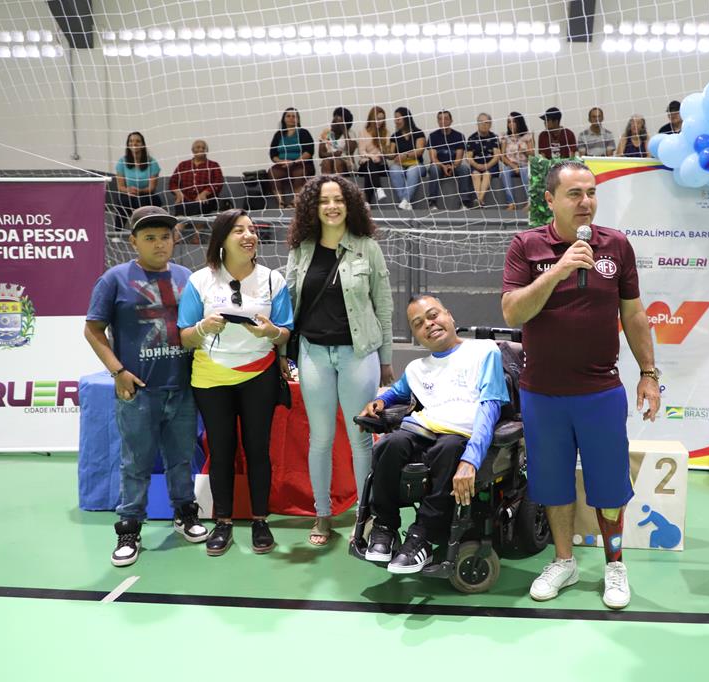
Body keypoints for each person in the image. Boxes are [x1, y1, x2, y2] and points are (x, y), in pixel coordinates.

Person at [501, 160, 661, 610]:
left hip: (599, 392)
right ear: (550, 200)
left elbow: (633, 314)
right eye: (574, 194)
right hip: (542, 393)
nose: (586, 202)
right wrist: (558, 270)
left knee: (609, 487)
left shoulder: (617, 246)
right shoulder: (526, 246)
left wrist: (649, 374)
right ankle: (564, 560)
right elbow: (513, 313)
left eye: (591, 192)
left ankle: (614, 565)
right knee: (553, 486)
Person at [85, 206, 208, 567]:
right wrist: (117, 371)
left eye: (166, 236)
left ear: (175, 239)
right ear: (134, 240)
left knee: (181, 457)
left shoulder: (189, 277)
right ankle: (129, 529)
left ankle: (186, 514)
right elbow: (93, 330)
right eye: (150, 237)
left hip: (182, 388)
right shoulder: (114, 279)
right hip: (139, 391)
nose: (159, 244)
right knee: (135, 463)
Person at [357, 295, 508, 573]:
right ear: (416, 335)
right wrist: (381, 402)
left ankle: (421, 536)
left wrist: (471, 460)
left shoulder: (484, 351)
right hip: (423, 431)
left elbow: (490, 407)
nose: (429, 324)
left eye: (433, 315)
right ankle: (384, 527)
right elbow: (398, 391)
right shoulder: (418, 368)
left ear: (449, 316)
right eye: (418, 324)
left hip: (459, 437)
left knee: (447, 449)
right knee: (388, 445)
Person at [283, 176, 394, 546]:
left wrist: (387, 359)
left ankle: (365, 515)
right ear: (313, 208)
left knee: (361, 438)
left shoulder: (367, 249)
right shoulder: (300, 251)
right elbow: (287, 307)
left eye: (338, 200)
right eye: (324, 201)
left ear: (350, 205)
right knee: (321, 439)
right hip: (313, 354)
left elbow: (384, 306)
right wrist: (284, 353)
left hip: (358, 355)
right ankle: (322, 515)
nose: (332, 206)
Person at [177, 209, 294, 557]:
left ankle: (260, 520)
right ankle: (222, 522)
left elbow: (286, 330)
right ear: (222, 240)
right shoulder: (199, 281)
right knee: (222, 450)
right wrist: (202, 328)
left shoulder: (274, 280)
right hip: (211, 378)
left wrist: (270, 331)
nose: (249, 236)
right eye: (239, 230)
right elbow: (184, 337)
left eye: (252, 230)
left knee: (258, 450)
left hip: (259, 374)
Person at [425, 110, 474, 211]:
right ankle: (432, 201)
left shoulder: (459, 136)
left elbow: (459, 158)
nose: (443, 121)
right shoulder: (432, 136)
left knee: (464, 168)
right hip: (438, 166)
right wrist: (443, 166)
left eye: (446, 119)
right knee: (434, 168)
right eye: (440, 119)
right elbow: (433, 158)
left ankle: (465, 201)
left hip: (454, 166)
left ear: (451, 121)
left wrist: (452, 166)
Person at [113, 131, 163, 229]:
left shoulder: (152, 162)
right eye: (131, 141)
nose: (134, 144)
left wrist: (139, 191)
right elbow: (120, 187)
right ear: (127, 144)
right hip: (129, 194)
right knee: (123, 201)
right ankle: (117, 232)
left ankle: (145, 230)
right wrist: (128, 190)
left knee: (143, 201)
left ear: (143, 144)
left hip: (146, 194)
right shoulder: (122, 162)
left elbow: (152, 188)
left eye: (137, 141)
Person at [268, 107, 316, 209]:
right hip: (283, 165)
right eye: (288, 116)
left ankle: (295, 201)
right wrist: (281, 161)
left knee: (299, 172)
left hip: (301, 164)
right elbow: (273, 154)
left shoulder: (303, 133)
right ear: (284, 118)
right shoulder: (278, 135)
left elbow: (309, 151)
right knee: (272, 172)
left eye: (294, 116)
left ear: (298, 119)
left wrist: (294, 162)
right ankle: (281, 202)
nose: (291, 118)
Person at [169, 139, 224, 217]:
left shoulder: (213, 165)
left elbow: (218, 182)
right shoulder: (183, 165)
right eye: (198, 147)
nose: (201, 149)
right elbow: (172, 182)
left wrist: (205, 193)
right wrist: (178, 193)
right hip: (184, 199)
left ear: (207, 150)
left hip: (206, 200)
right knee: (181, 206)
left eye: (203, 148)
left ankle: (197, 227)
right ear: (192, 150)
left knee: (198, 207)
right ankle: (179, 227)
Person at [387, 107, 427, 211]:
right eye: (395, 119)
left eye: (398, 118)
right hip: (400, 165)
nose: (396, 121)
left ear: (406, 118)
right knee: (393, 169)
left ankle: (404, 200)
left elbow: (420, 151)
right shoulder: (394, 136)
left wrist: (405, 155)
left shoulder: (418, 133)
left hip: (416, 164)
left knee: (412, 171)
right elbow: (391, 154)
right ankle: (405, 202)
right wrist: (385, 152)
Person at [500, 112, 534, 211]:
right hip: (511, 165)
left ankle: (530, 201)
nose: (511, 124)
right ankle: (511, 203)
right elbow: (502, 156)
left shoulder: (527, 136)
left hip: (524, 165)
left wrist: (524, 150)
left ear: (519, 122)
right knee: (505, 172)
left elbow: (532, 155)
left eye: (513, 122)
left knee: (524, 171)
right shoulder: (505, 137)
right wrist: (513, 166)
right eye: (509, 122)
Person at [357, 106, 392, 204]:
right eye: (378, 119)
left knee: (370, 172)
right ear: (372, 118)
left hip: (381, 165)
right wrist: (372, 157)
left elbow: (387, 151)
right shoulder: (363, 132)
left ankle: (367, 202)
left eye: (382, 119)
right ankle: (378, 188)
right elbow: (361, 152)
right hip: (366, 164)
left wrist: (380, 156)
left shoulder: (386, 133)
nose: (380, 122)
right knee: (370, 165)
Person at [466, 113, 502, 208]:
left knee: (486, 174)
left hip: (491, 166)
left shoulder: (494, 137)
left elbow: (497, 156)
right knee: (476, 175)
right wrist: (477, 165)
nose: (483, 124)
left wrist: (487, 166)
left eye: (486, 122)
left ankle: (479, 199)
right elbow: (468, 157)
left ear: (490, 124)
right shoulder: (472, 138)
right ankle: (480, 202)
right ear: (477, 124)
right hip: (476, 165)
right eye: (481, 122)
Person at [319, 106, 358, 176]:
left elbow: (350, 151)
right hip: (329, 160)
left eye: (337, 122)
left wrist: (344, 130)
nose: (333, 123)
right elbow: (321, 154)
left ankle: (339, 186)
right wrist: (334, 154)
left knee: (337, 162)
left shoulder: (351, 133)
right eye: (333, 120)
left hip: (347, 163)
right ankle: (326, 186)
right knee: (326, 162)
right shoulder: (326, 132)